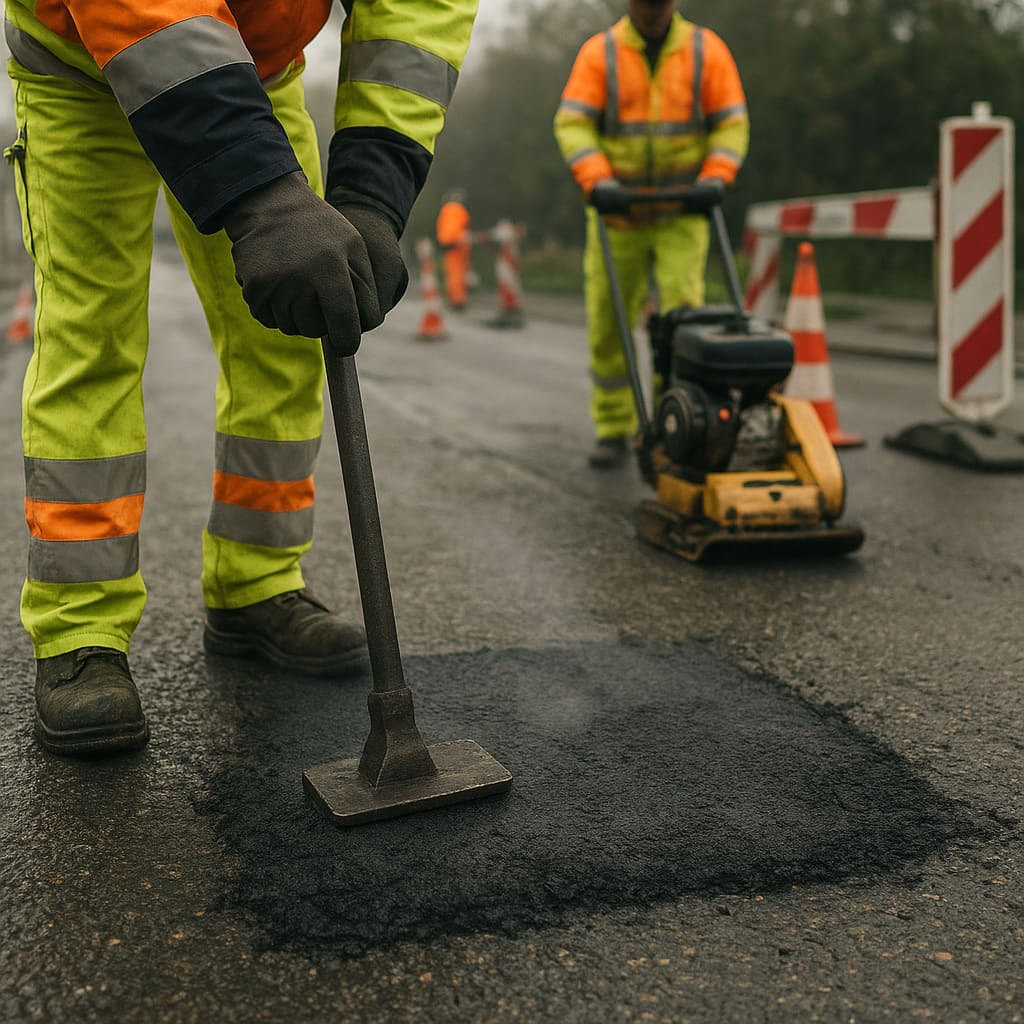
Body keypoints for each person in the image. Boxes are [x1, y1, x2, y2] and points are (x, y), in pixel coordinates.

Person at [4, 0, 478, 755]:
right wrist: (261, 193)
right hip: (79, 68)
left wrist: (374, 191)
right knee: (91, 340)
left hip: (256, 75)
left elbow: (416, 14)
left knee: (289, 329)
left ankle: (254, 585)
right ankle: (80, 630)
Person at [554, 0, 749, 468]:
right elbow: (573, 123)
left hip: (683, 212)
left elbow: (731, 122)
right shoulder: (600, 53)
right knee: (608, 322)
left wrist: (716, 177)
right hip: (617, 215)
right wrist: (599, 181)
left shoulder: (707, 51)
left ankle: (674, 420)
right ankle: (613, 427)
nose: (652, 12)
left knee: (682, 316)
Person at [436, 188, 472, 310]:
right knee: (459, 273)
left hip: (453, 245)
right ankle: (459, 298)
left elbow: (449, 229)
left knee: (454, 273)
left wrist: (447, 241)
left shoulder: (448, 209)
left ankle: (456, 300)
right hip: (461, 244)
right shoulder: (461, 210)